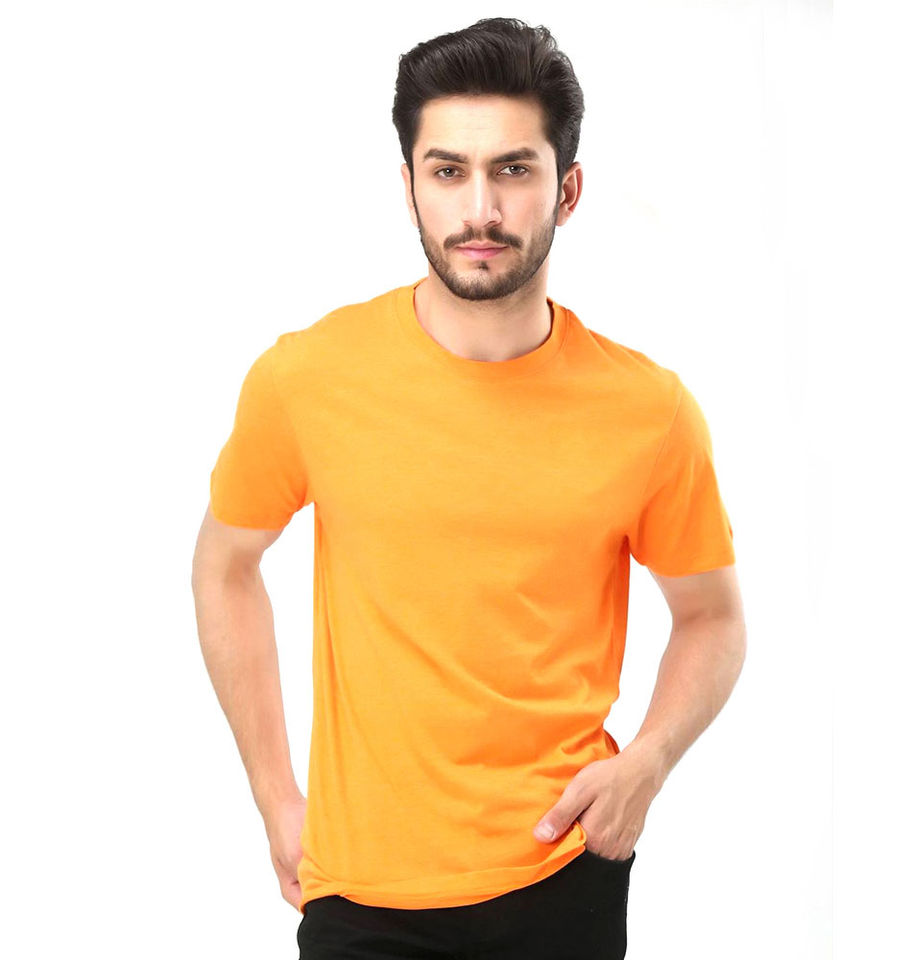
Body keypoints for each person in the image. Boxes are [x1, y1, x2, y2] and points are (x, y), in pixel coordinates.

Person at [191, 16, 747, 960]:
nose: (479, 209)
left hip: (561, 874)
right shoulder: (307, 380)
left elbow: (714, 618)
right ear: (408, 184)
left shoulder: (648, 411)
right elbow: (224, 564)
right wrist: (274, 796)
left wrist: (646, 765)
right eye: (448, 171)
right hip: (361, 893)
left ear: (567, 190)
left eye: (513, 170)